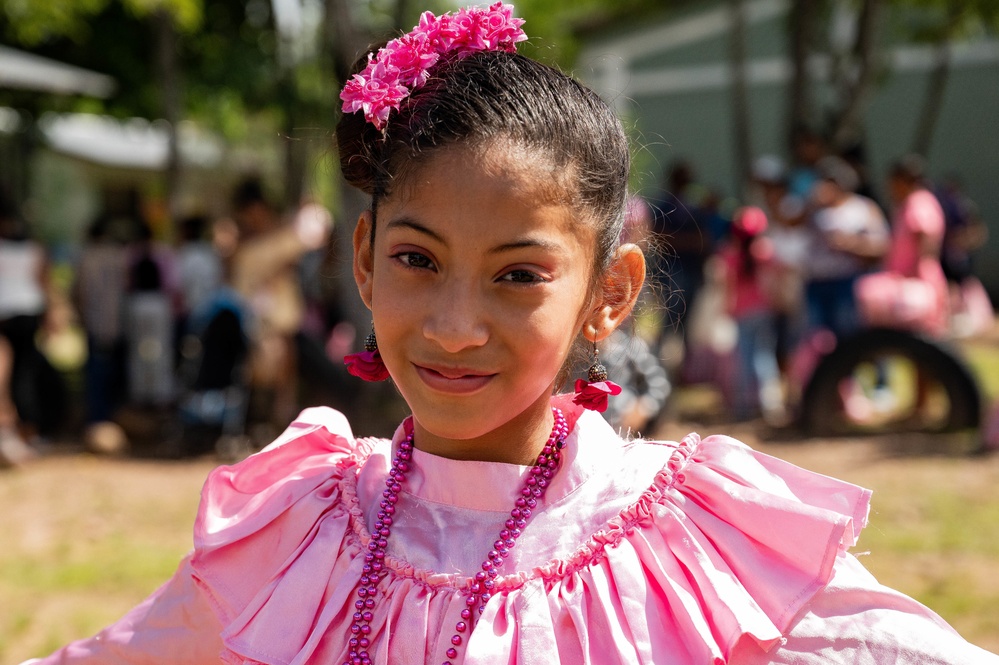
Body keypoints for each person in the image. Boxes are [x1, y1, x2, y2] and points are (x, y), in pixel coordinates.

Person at [24, 5, 999, 664]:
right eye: (416, 259)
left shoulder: (690, 539)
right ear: (362, 259)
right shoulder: (298, 528)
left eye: (519, 275)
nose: (455, 324)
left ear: (608, 293)